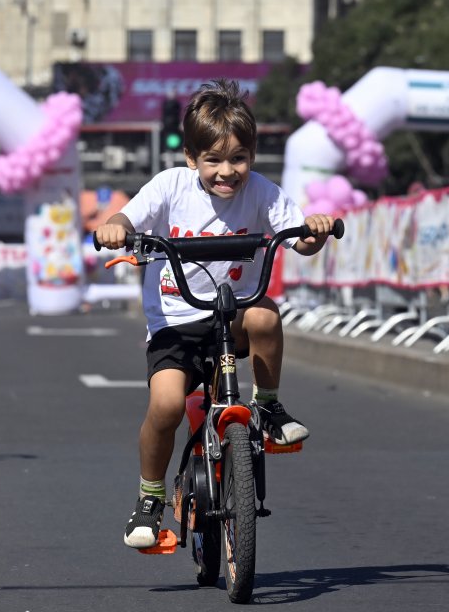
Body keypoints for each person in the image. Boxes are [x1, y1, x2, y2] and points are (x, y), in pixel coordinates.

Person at [94, 79, 337, 549]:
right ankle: (149, 499)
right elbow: (128, 218)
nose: (227, 171)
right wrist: (114, 228)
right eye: (214, 160)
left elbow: (301, 239)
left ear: (253, 155)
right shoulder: (170, 185)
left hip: (234, 315)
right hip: (176, 323)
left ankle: (267, 406)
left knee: (266, 317)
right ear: (192, 158)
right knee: (167, 405)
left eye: (239, 158)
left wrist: (316, 230)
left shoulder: (263, 192)